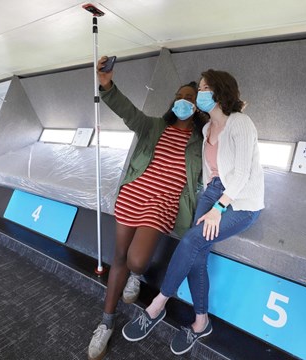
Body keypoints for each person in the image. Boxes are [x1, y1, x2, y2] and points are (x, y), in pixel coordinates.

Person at [121, 69, 265, 355]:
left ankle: (157, 306)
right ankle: (201, 322)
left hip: (240, 200)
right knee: (197, 256)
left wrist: (218, 209)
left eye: (204, 88)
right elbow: (210, 171)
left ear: (220, 91)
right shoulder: (205, 129)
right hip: (212, 191)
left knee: (191, 241)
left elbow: (242, 173)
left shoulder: (240, 123)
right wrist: (208, 199)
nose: (200, 93)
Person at [88, 56, 207, 360]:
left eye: (189, 98)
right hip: (134, 193)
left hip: (163, 205)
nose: (182, 101)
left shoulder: (201, 141)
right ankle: (107, 322)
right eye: (178, 97)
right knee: (118, 257)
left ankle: (135, 275)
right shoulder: (154, 126)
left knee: (137, 261)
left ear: (198, 106)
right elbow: (129, 113)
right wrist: (107, 85)